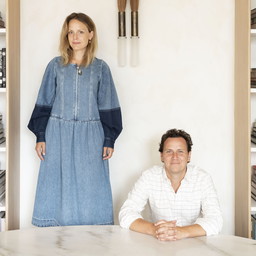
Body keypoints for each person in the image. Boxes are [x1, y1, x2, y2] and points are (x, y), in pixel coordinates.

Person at [28, 12, 122, 227]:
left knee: (92, 185)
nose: (75, 37)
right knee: (56, 183)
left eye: (80, 31)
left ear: (91, 35)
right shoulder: (55, 66)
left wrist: (109, 139)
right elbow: (44, 101)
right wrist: (41, 136)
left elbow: (108, 104)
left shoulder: (100, 68)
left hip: (92, 136)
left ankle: (92, 241)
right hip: (57, 133)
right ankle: (56, 242)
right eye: (71, 32)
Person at [119, 129, 222, 241]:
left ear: (189, 156)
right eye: (169, 151)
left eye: (180, 151)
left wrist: (181, 232)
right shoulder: (149, 177)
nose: (175, 156)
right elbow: (126, 213)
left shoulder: (203, 179)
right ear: (162, 156)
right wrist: (154, 230)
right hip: (159, 242)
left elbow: (215, 220)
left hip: (194, 243)